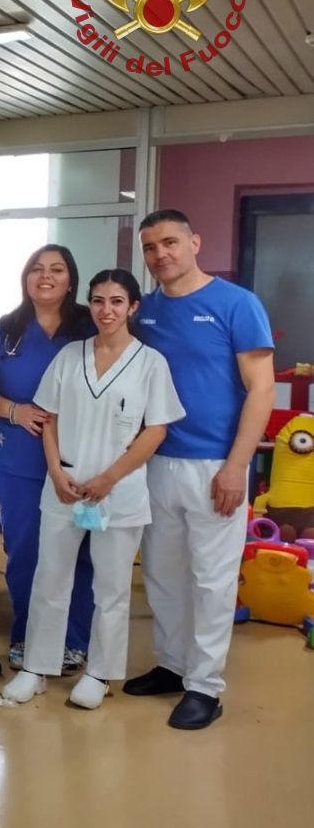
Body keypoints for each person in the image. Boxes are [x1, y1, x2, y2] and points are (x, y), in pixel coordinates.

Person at [0, 270, 184, 711]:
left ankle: (99, 673)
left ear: (133, 307)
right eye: (98, 301)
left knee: (112, 588)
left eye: (117, 301)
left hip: (118, 491)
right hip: (64, 486)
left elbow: (154, 431)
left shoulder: (150, 363)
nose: (106, 310)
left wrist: (109, 478)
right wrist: (57, 474)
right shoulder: (69, 356)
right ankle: (36, 669)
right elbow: (49, 417)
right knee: (49, 579)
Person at [125, 209, 275, 729]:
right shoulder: (144, 313)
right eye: (149, 247)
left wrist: (237, 466)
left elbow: (262, 389)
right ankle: (172, 664)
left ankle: (205, 687)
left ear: (195, 242)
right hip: (155, 462)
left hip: (216, 465)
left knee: (211, 581)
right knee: (163, 575)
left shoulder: (237, 304)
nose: (160, 254)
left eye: (169, 242)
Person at [0, 245, 96, 673]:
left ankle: (74, 639)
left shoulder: (90, 328)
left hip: (80, 455)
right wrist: (16, 411)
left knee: (79, 549)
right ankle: (26, 635)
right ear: (25, 277)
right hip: (16, 457)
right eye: (37, 269)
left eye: (57, 269)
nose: (45, 276)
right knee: (27, 548)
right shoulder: (5, 330)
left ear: (71, 279)